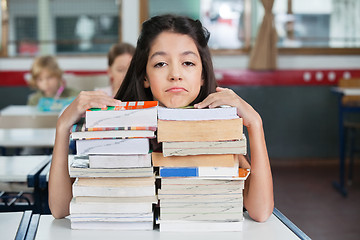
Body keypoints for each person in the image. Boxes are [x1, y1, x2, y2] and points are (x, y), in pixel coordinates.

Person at [49, 14, 274, 222]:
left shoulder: (215, 129)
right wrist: (62, 127)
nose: (175, 74)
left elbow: (261, 211)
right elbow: (60, 209)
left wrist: (255, 124)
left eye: (188, 63)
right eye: (160, 63)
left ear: (203, 75)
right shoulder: (115, 127)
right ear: (145, 76)